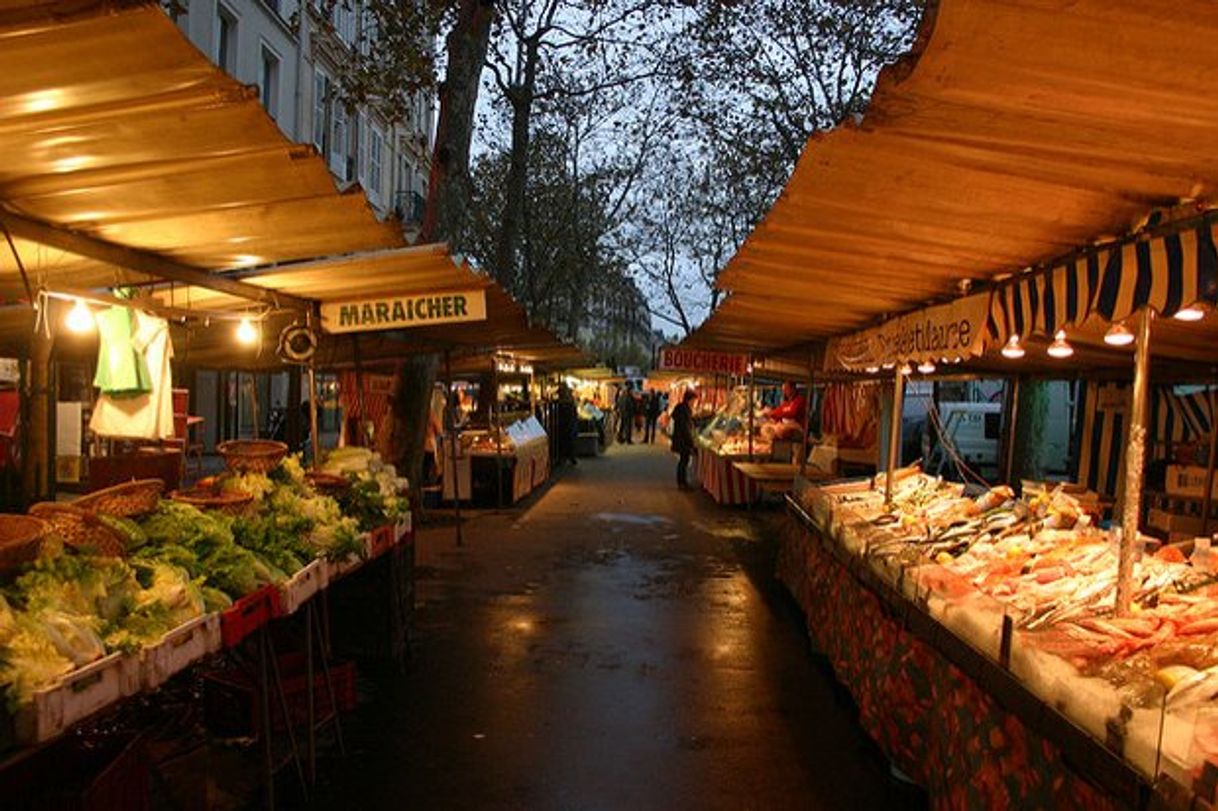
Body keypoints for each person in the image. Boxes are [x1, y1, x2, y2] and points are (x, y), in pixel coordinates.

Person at [671, 389, 698, 490]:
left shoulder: (680, 408)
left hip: (679, 439)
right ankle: (682, 483)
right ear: (689, 399)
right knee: (684, 461)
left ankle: (681, 482)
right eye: (693, 401)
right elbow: (685, 428)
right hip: (682, 440)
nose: (694, 403)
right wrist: (690, 442)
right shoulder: (685, 410)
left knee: (683, 461)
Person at [555, 382, 578, 465]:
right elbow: (575, 413)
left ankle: (565, 458)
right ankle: (570, 457)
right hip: (569, 423)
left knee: (565, 440)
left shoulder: (562, 403)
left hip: (565, 424)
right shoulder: (570, 401)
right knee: (569, 440)